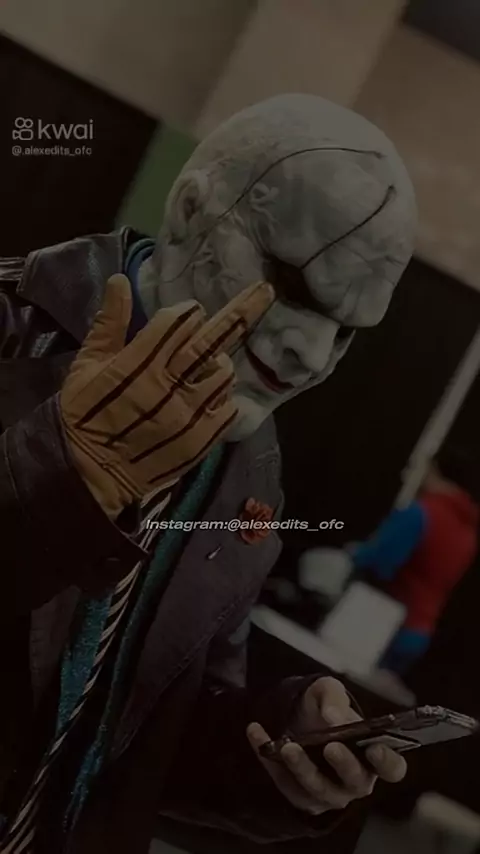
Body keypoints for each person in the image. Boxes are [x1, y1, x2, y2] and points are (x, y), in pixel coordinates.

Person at [0, 94, 416, 854]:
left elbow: (138, 742)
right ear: (191, 211)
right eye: (293, 286)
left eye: (346, 332)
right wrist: (58, 478)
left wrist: (277, 751)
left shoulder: (248, 458)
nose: (310, 355)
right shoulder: (10, 336)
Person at [351, 448, 480, 674]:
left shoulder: (422, 512)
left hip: (382, 623)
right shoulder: (468, 533)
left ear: (434, 470)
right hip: (419, 632)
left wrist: (356, 553)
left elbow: (379, 563)